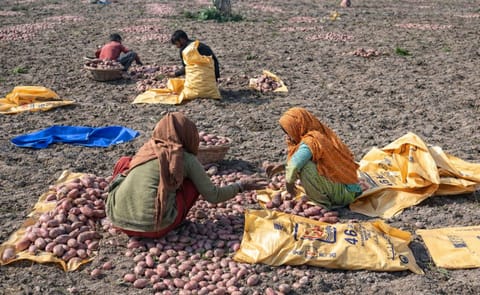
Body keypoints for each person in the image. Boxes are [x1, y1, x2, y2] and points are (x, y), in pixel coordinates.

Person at [106, 112, 266, 238]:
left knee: (125, 162)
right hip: (156, 228)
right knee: (192, 183)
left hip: (116, 221)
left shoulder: (146, 149)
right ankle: (171, 218)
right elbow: (213, 196)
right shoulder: (184, 157)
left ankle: (125, 208)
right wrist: (241, 186)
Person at [264, 107, 363, 211]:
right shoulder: (319, 134)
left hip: (344, 194)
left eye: (288, 131)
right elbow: (306, 160)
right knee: (304, 164)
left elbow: (294, 166)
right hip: (349, 189)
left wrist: (289, 185)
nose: (288, 137)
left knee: (306, 168)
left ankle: (323, 204)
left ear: (296, 126)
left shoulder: (311, 141)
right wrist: (283, 166)